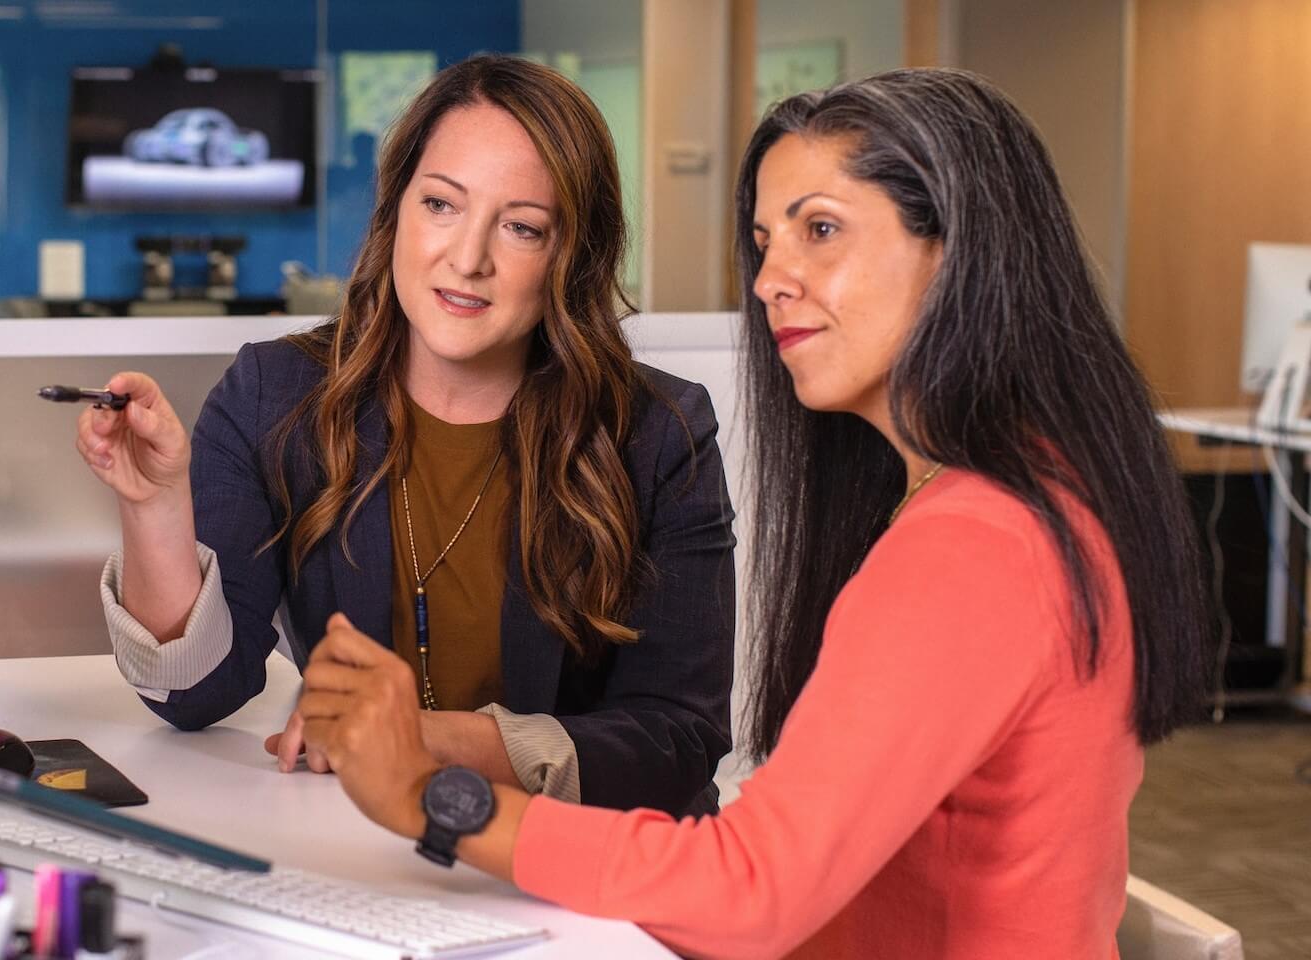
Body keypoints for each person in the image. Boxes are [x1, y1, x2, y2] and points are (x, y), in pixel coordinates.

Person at [297, 67, 1211, 958]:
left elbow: (752, 894)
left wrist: (432, 798)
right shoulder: (1039, 493)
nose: (772, 276)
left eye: (821, 230)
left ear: (960, 252)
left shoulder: (975, 544)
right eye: (767, 239)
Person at [73, 55, 737, 815]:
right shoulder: (275, 396)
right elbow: (195, 694)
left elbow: (678, 740)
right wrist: (156, 504)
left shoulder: (659, 432)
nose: (467, 258)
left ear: (570, 257)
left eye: (521, 227)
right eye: (442, 206)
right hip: (369, 852)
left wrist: (424, 738)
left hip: (582, 872)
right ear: (397, 212)